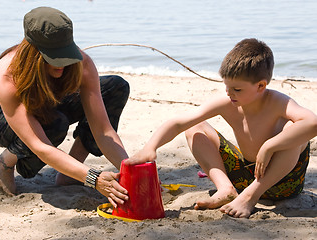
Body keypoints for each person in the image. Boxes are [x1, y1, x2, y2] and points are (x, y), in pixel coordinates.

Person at [126, 38, 317, 218]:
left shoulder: (278, 103)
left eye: (237, 89)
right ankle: (226, 189)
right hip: (244, 175)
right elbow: (179, 122)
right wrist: (150, 147)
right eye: (227, 86)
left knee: (295, 130)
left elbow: (312, 123)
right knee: (195, 127)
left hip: (282, 182)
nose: (229, 93)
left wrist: (270, 146)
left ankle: (250, 197)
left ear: (260, 86)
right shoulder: (228, 102)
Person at [0, 7, 130, 208]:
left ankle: (69, 173)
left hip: (44, 103)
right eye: (55, 57)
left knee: (115, 87)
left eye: (66, 54)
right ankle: (3, 162)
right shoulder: (6, 76)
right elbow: (41, 146)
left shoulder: (81, 63)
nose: (62, 64)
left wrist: (132, 171)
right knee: (54, 124)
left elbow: (103, 131)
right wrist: (94, 178)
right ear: (33, 52)